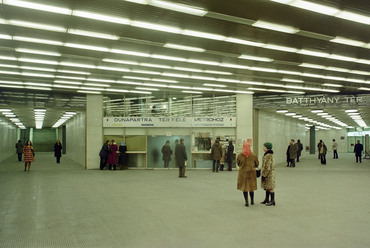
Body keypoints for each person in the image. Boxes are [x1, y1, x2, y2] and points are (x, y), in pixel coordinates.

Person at [237, 142, 259, 207]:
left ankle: (246, 202)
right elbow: (257, 164)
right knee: (251, 187)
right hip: (251, 173)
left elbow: (238, 163)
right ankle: (252, 201)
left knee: (244, 188)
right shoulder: (253, 155)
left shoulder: (240, 155)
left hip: (243, 173)